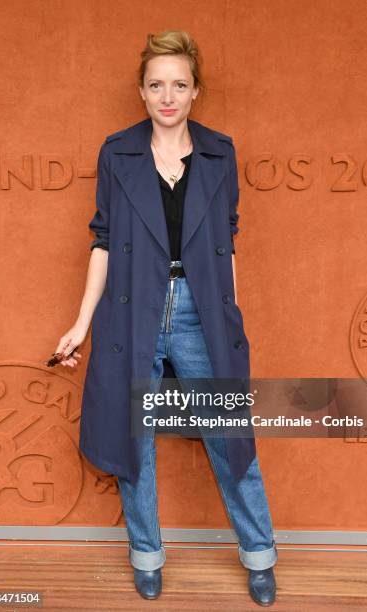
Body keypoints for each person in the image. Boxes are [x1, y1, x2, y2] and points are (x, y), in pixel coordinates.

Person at [55, 29, 277, 606]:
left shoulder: (219, 151)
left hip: (200, 313)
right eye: (157, 85)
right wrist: (82, 322)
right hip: (133, 312)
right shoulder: (118, 152)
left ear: (196, 90)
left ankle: (259, 556)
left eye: (179, 84)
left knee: (231, 438)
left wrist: (230, 313)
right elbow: (103, 240)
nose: (168, 95)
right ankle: (147, 556)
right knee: (135, 442)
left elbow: (228, 239)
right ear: (142, 91)